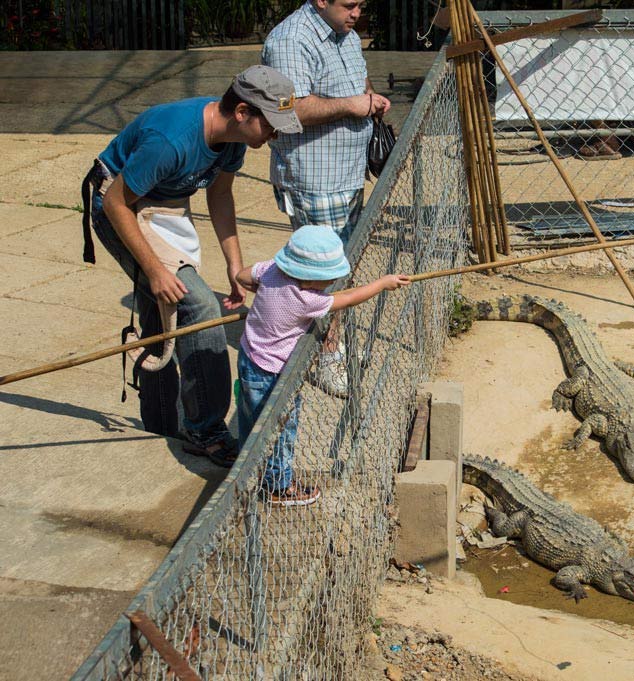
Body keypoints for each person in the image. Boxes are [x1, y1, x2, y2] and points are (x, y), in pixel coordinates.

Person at [83, 65, 303, 467]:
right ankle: (206, 430)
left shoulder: (233, 139)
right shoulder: (171, 141)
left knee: (163, 311)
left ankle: (162, 422)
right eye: (271, 124)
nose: (275, 134)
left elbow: (220, 195)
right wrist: (154, 269)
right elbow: (116, 202)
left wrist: (234, 267)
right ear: (242, 112)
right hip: (118, 203)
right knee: (197, 303)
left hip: (162, 206)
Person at [261, 0, 392, 397]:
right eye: (348, 4)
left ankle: (330, 342)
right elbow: (286, 111)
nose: (356, 13)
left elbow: (359, 82)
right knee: (320, 276)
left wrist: (370, 99)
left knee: (340, 264)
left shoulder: (345, 34)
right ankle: (326, 356)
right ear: (320, 0)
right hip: (314, 178)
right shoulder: (290, 40)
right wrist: (355, 105)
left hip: (347, 173)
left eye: (361, 5)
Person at [235, 225, 411, 505]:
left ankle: (245, 465)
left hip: (247, 357)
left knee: (250, 417)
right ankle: (278, 487)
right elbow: (348, 299)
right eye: (326, 279)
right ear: (309, 278)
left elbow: (242, 275)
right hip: (273, 373)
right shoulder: (305, 299)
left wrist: (265, 294)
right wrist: (382, 283)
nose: (330, 284)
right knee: (281, 428)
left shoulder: (271, 272)